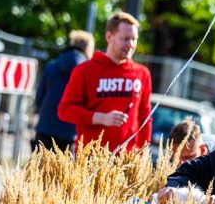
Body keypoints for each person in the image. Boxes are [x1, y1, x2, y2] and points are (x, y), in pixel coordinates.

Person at [58, 11, 152, 152]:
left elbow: (145, 116)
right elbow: (64, 111)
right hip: (90, 156)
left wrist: (143, 150)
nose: (131, 44)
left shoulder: (142, 73)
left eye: (134, 39)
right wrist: (100, 118)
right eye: (125, 39)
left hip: (127, 159)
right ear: (109, 36)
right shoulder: (85, 70)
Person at [32, 30, 94, 152]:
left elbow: (39, 99)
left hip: (45, 128)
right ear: (88, 49)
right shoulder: (88, 73)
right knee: (64, 171)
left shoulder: (51, 66)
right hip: (70, 134)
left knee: (39, 169)